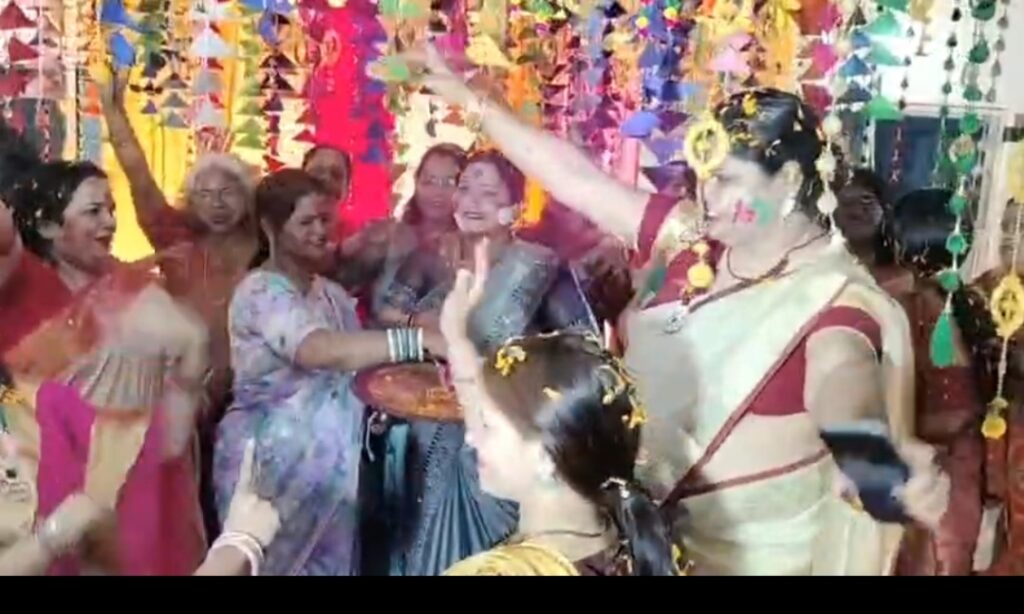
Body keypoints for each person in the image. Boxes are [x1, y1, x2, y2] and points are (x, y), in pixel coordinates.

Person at [411, 44, 949, 574]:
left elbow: (843, 382)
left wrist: (869, 454)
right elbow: (576, 180)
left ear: (787, 180)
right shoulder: (693, 242)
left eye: (727, 180)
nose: (708, 197)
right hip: (630, 548)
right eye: (703, 176)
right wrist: (471, 100)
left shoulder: (834, 302)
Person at [213, 169, 447, 576]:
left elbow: (360, 365)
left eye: (325, 219)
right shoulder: (260, 291)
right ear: (270, 228)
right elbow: (318, 351)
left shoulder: (331, 295)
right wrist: (418, 339)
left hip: (332, 475)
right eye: (306, 222)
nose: (321, 231)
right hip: (269, 468)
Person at [375, 150, 594, 576]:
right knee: (416, 542)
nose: (472, 201)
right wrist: (428, 327)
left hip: (499, 435)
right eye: (465, 188)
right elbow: (386, 311)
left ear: (515, 208)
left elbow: (582, 347)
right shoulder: (433, 253)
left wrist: (514, 369)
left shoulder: (538, 267)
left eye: (489, 193)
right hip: (427, 422)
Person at [438, 254, 679, 575]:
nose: (472, 436)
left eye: (488, 427)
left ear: (547, 458)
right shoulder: (626, 535)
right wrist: (456, 338)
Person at [103, 69, 259, 540]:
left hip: (253, 399)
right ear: (189, 201)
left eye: (227, 192)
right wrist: (114, 112)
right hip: (186, 398)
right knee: (186, 512)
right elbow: (137, 174)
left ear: (247, 196)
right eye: (205, 195)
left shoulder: (267, 244)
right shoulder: (174, 239)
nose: (217, 204)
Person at [885, 188, 986, 575]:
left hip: (938, 458)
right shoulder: (968, 301)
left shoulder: (920, 304)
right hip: (950, 457)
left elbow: (956, 399)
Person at [334, 143, 465, 316]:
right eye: (429, 181)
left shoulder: (472, 247)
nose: (437, 192)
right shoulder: (389, 234)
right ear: (416, 182)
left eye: (449, 183)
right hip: (376, 332)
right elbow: (339, 280)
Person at [834, 168, 909, 292]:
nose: (857, 211)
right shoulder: (820, 274)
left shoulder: (903, 280)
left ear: (885, 209)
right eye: (846, 203)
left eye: (866, 200)